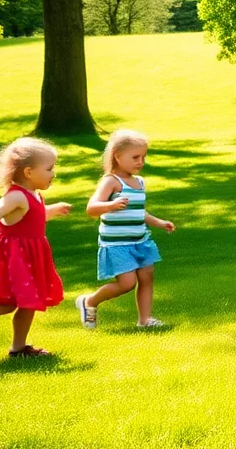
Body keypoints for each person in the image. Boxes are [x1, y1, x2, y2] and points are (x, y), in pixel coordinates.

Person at [0, 138, 72, 357]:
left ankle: (19, 348)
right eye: (49, 168)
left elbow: (32, 219)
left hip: (31, 256)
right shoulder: (16, 196)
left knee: (30, 302)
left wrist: (51, 210)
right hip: (13, 258)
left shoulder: (33, 195)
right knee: (8, 303)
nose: (53, 173)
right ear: (28, 172)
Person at [76, 130, 175, 330]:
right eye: (135, 157)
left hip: (141, 240)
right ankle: (90, 302)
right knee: (127, 283)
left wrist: (158, 222)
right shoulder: (111, 181)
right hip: (117, 244)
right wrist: (110, 206)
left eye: (143, 157)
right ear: (118, 156)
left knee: (147, 277)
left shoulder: (139, 183)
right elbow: (91, 208)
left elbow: (138, 212)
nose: (141, 162)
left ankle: (145, 320)